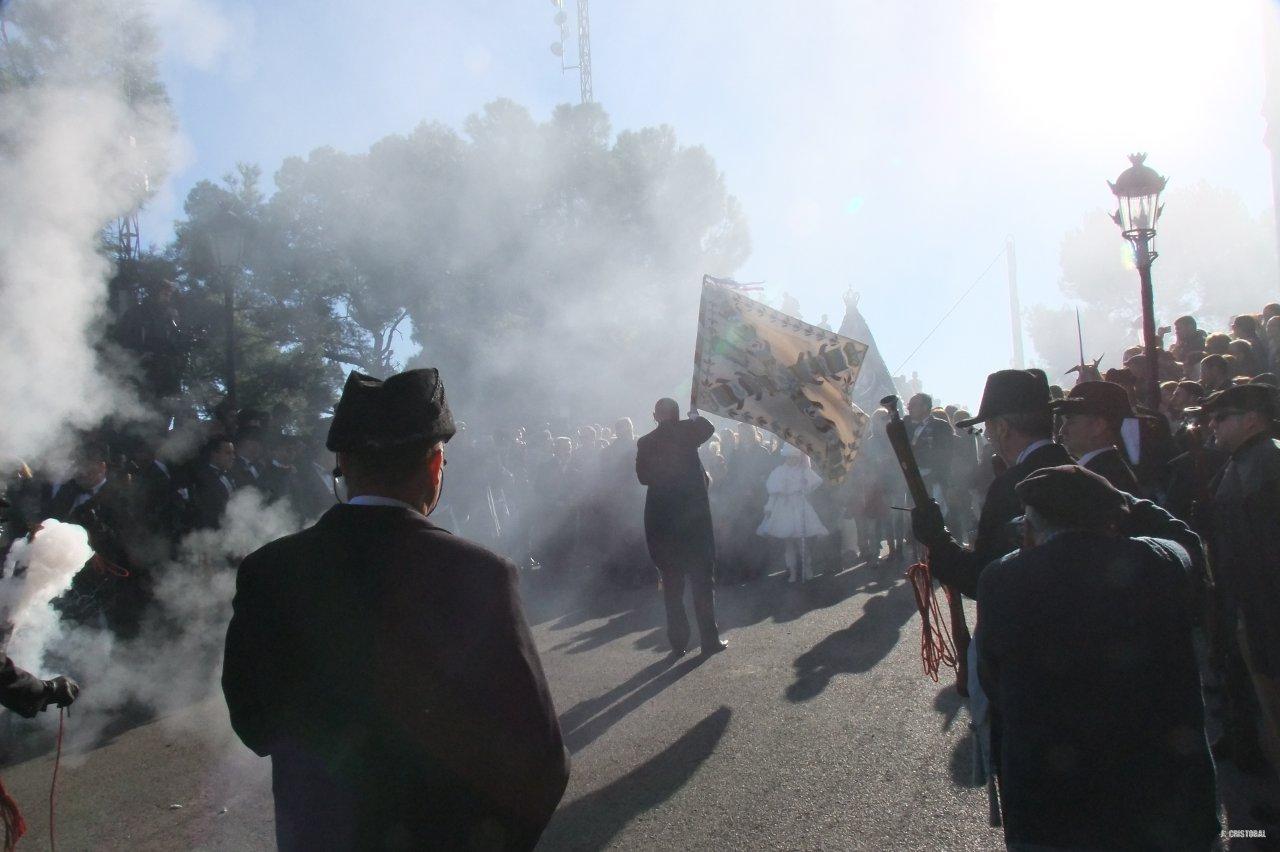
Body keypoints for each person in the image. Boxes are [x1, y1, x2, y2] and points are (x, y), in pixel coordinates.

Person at [223, 368, 569, 851]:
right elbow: (539, 755)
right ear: (435, 464)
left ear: (342, 463)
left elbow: (252, 720)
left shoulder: (268, 569)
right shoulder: (480, 573)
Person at [978, 466, 1219, 851]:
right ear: (1112, 520)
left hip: (1051, 810)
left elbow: (993, 681)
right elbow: (1186, 540)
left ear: (1032, 528)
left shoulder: (1001, 579)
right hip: (1165, 803)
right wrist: (1127, 501)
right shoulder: (1158, 562)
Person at [911, 369, 1073, 600]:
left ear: (1002, 428)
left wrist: (937, 538)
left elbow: (983, 577)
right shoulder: (1077, 468)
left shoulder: (1012, 485)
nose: (988, 436)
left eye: (988, 428)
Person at [1195, 383, 1280, 780]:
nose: (1212, 425)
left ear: (1252, 419)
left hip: (1263, 608)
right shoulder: (1247, 461)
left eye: (1222, 418)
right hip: (1250, 605)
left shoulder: (1265, 464)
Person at [635, 399, 725, 656]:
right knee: (702, 585)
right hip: (694, 524)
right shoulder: (687, 431)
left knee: (672, 589)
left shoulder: (646, 442)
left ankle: (678, 642)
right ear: (677, 415)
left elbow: (643, 477)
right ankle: (709, 640)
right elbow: (708, 428)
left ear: (655, 416)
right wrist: (694, 415)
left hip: (663, 525)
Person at [1050, 381, 1140, 493]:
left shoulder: (1089, 481)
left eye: (1071, 420)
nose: (1063, 430)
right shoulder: (1115, 471)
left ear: (1098, 426)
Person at [757, 445, 829, 582]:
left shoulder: (803, 471)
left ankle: (807, 568)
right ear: (786, 457)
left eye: (795, 458)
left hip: (799, 505)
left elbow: (813, 484)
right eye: (790, 458)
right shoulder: (778, 472)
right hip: (783, 508)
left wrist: (805, 485)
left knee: (802, 542)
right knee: (788, 543)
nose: (792, 460)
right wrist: (769, 507)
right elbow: (773, 493)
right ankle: (793, 571)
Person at [193, 436, 237, 530]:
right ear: (214, 454)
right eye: (228, 453)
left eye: (233, 453)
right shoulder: (203, 478)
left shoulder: (229, 475)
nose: (233, 457)